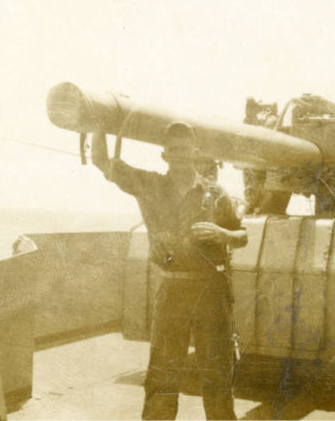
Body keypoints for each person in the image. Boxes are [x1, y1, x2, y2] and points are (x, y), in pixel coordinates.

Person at [91, 122, 248, 420]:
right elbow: (102, 161)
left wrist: (222, 233)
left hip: (211, 292)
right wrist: (97, 124)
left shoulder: (215, 194)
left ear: (195, 152)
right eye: (173, 150)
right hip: (172, 290)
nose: (179, 155)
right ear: (165, 155)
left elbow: (242, 236)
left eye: (185, 149)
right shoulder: (148, 184)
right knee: (162, 375)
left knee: (217, 374)